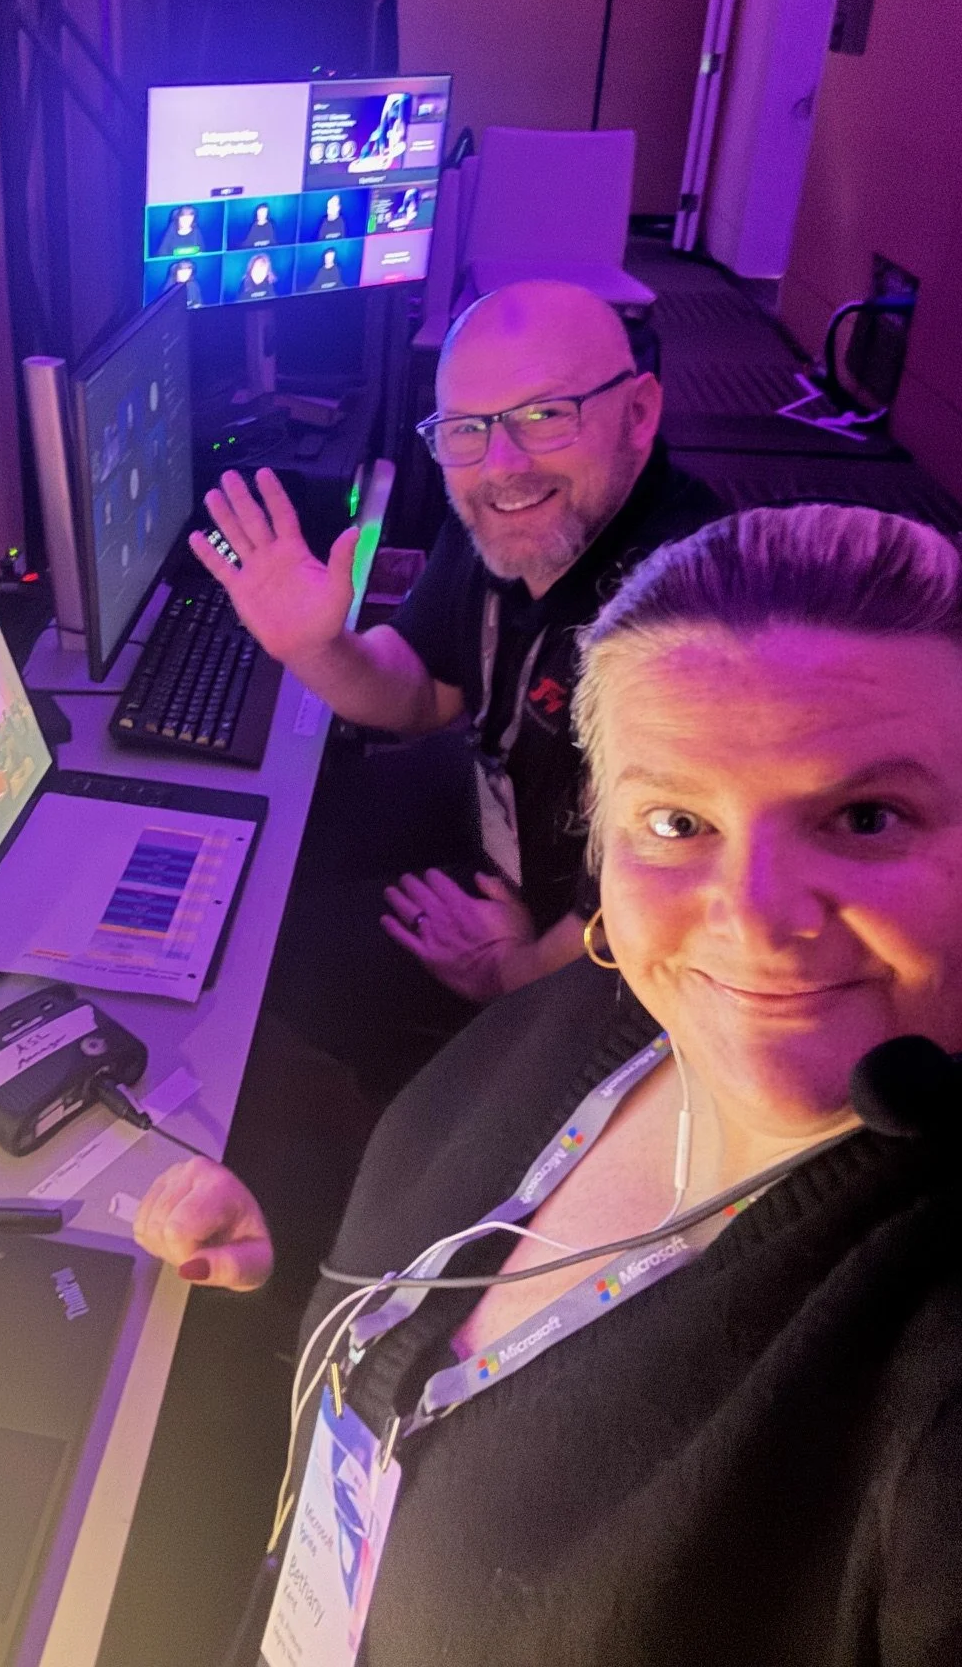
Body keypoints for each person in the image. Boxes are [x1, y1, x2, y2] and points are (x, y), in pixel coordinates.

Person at [137, 504, 962, 1664]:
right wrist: (309, 1287)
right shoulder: (607, 1011)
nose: (757, 917)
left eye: (867, 817)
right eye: (676, 822)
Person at [191, 280, 720, 1094]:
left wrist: (513, 971)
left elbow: (682, 890)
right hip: (497, 813)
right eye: (467, 429)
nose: (502, 464)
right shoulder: (506, 519)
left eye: (547, 413)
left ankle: (423, 1135)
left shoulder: (692, 620)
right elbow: (419, 696)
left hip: (591, 947)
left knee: (284, 952)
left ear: (640, 413)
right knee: (261, 854)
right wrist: (315, 646)